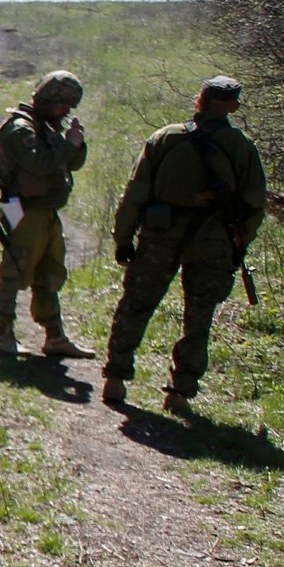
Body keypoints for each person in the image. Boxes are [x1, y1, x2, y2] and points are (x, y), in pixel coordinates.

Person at [101, 75, 269, 416]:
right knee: (198, 318)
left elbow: (135, 194)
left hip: (160, 237)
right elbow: (254, 206)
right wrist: (237, 244)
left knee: (136, 305)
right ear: (233, 107)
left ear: (199, 101)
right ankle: (179, 393)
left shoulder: (164, 138)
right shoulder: (242, 147)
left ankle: (116, 379)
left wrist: (123, 238)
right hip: (213, 242)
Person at [0, 70, 91, 357]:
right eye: (61, 106)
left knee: (50, 271)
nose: (65, 112)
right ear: (45, 100)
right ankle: (4, 335)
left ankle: (54, 336)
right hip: (22, 208)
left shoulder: (46, 127)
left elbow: (74, 163)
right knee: (15, 270)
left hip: (45, 211)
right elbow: (39, 165)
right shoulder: (20, 129)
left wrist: (76, 143)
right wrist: (68, 145)